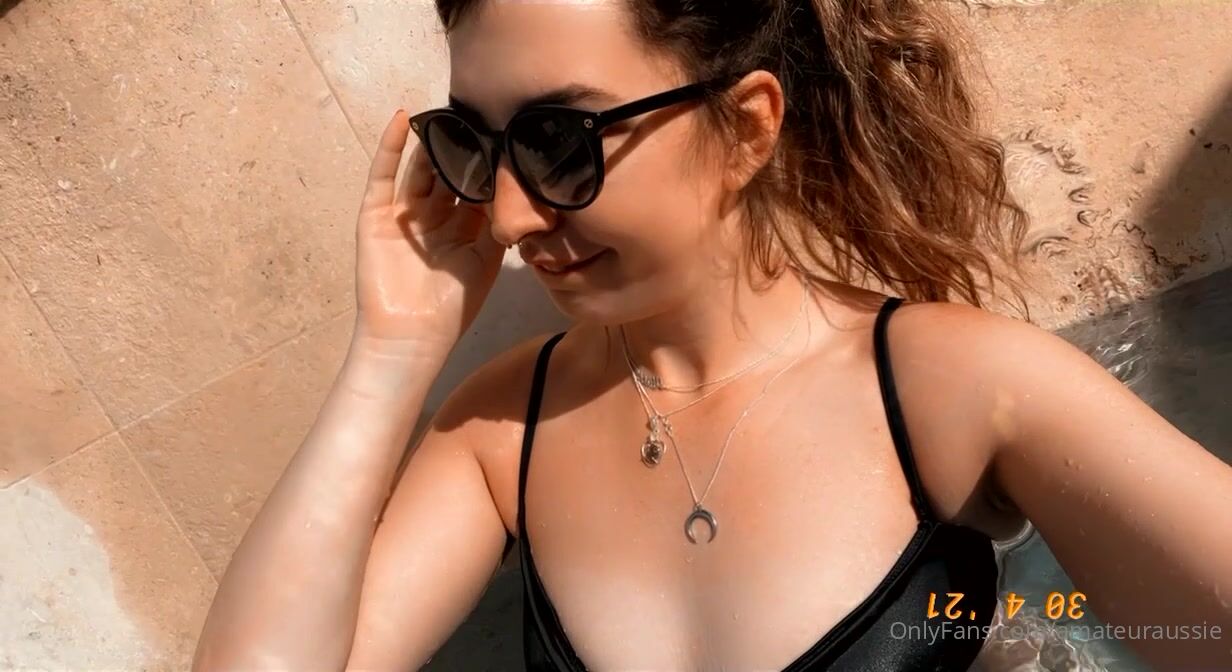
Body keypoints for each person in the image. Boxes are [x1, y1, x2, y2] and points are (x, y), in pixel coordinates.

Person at [192, 1, 1232, 670]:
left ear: (744, 126)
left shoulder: (953, 388)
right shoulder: (499, 436)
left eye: (559, 142)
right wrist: (391, 350)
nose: (506, 219)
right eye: (474, 144)